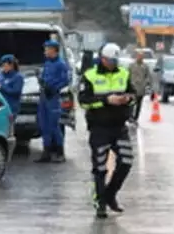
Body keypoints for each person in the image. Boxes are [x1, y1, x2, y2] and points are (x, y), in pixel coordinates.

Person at [78, 43, 137, 219]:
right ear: (102, 59)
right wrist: (106, 100)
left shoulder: (124, 73)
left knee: (126, 162)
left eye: (115, 61)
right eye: (110, 60)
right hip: (99, 128)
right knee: (100, 167)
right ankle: (100, 202)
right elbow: (83, 101)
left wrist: (127, 99)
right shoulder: (90, 75)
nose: (112, 63)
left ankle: (110, 194)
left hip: (119, 127)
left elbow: (134, 95)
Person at [35, 39, 70, 163]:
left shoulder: (60, 64)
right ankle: (46, 152)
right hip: (44, 95)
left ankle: (60, 153)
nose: (45, 51)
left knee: (54, 126)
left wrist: (54, 88)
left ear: (53, 50)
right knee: (44, 125)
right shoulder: (47, 63)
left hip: (53, 97)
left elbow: (66, 80)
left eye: (47, 49)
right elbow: (44, 77)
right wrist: (41, 80)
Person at [129, 49, 153, 124]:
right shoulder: (132, 65)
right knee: (132, 103)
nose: (140, 57)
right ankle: (131, 117)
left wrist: (147, 84)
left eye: (141, 56)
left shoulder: (145, 66)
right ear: (136, 56)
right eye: (139, 56)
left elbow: (148, 76)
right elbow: (128, 75)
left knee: (139, 104)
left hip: (141, 89)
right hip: (133, 88)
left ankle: (136, 117)